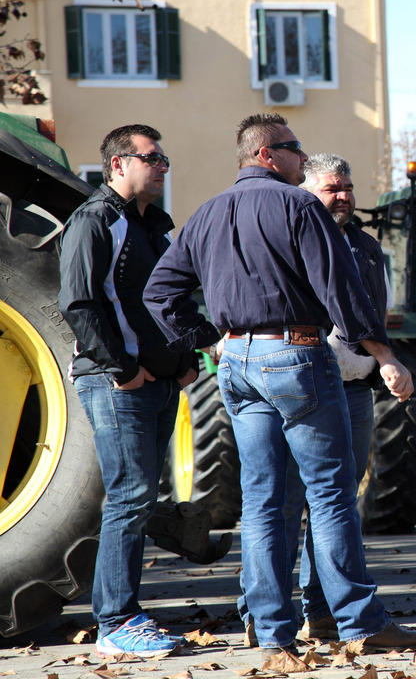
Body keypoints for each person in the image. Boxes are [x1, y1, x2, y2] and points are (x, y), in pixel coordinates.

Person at [142, 114, 416, 661]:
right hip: (296, 355)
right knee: (331, 492)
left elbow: (160, 294)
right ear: (270, 154)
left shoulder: (206, 214)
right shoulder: (299, 206)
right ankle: (358, 623)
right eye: (297, 150)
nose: (304, 158)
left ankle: (272, 631)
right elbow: (341, 291)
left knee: (264, 500)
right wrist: (385, 354)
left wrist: (210, 340)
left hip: (239, 362)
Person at [58, 124, 198, 658]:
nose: (163, 166)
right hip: (119, 384)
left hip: (161, 384)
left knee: (139, 499)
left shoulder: (154, 228)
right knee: (131, 496)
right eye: (152, 157)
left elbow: (171, 300)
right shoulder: (94, 221)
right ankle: (115, 622)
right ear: (118, 164)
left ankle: (126, 614)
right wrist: (122, 370)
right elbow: (80, 304)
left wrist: (184, 365)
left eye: (165, 158)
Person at [284, 153, 391, 640]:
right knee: (287, 501)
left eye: (347, 187)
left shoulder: (368, 248)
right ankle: (263, 613)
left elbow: (375, 312)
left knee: (339, 501)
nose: (344, 196)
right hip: (302, 384)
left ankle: (321, 610)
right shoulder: (291, 237)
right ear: (307, 191)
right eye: (332, 188)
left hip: (355, 390)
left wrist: (379, 362)